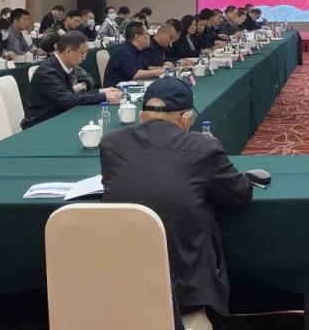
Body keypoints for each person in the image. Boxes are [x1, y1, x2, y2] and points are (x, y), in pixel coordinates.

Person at [99, 78, 253, 325]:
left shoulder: (110, 144)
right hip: (186, 288)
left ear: (142, 116)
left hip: (122, 281)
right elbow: (239, 194)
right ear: (187, 118)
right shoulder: (204, 147)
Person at [21, 31, 121, 129]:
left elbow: (71, 95)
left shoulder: (63, 66)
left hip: (58, 119)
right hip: (40, 126)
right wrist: (104, 97)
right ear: (68, 52)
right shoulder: (48, 72)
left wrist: (100, 91)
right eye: (82, 53)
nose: (84, 58)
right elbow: (69, 100)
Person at [103, 22, 170, 87]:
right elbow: (136, 74)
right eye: (147, 33)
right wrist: (160, 70)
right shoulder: (123, 52)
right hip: (116, 90)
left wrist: (164, 67)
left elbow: (145, 68)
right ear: (137, 37)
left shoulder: (138, 50)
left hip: (131, 85)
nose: (149, 36)